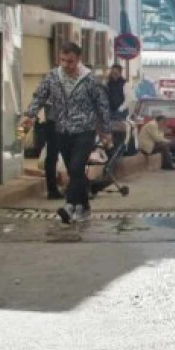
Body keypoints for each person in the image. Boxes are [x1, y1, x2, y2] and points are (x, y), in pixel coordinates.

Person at [20, 42, 112, 224]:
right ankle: (84, 205)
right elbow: (39, 96)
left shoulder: (90, 80)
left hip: (84, 130)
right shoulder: (52, 78)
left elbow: (102, 106)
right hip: (61, 129)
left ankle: (69, 206)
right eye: (62, 60)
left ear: (78, 60)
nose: (65, 65)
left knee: (77, 167)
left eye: (70, 61)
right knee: (73, 171)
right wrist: (29, 114)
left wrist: (106, 130)